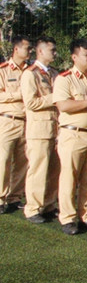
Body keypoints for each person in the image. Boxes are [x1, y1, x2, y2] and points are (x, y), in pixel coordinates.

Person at [53, 38, 87, 235]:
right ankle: (68, 217)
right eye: (86, 54)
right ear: (74, 57)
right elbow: (64, 105)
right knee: (69, 177)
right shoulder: (65, 78)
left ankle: (86, 214)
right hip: (72, 134)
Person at [21, 36, 60, 224]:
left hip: (55, 128)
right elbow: (31, 102)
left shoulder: (53, 73)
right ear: (41, 51)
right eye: (52, 50)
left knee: (54, 169)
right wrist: (54, 97)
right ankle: (33, 208)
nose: (55, 53)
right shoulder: (31, 74)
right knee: (38, 169)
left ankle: (48, 205)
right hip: (39, 129)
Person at [0, 35, 31, 214]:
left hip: (27, 121)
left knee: (22, 161)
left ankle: (14, 197)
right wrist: (21, 94)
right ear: (16, 49)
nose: (29, 52)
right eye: (27, 48)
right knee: (3, 159)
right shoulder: (3, 70)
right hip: (8, 120)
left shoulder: (31, 70)